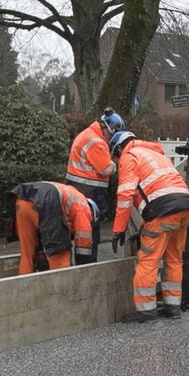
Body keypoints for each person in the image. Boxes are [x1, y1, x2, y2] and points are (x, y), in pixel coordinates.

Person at [110, 130, 189, 323]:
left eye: (115, 156)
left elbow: (125, 196)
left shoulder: (129, 156)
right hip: (185, 207)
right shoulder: (155, 154)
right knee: (174, 258)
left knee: (149, 259)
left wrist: (118, 230)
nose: (116, 161)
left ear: (119, 148)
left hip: (163, 210)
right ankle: (173, 307)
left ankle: (146, 310)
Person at [64, 108, 125, 264]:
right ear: (106, 128)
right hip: (89, 194)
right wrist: (116, 162)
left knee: (77, 230)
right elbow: (106, 168)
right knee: (90, 235)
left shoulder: (87, 135)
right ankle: (87, 265)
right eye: (112, 134)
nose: (111, 139)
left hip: (77, 189)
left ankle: (76, 263)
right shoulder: (96, 142)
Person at [6, 181, 99, 275]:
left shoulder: (70, 194)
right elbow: (83, 235)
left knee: (27, 255)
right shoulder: (85, 206)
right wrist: (83, 264)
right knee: (60, 257)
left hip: (21, 198)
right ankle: (61, 287)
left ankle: (24, 286)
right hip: (47, 201)